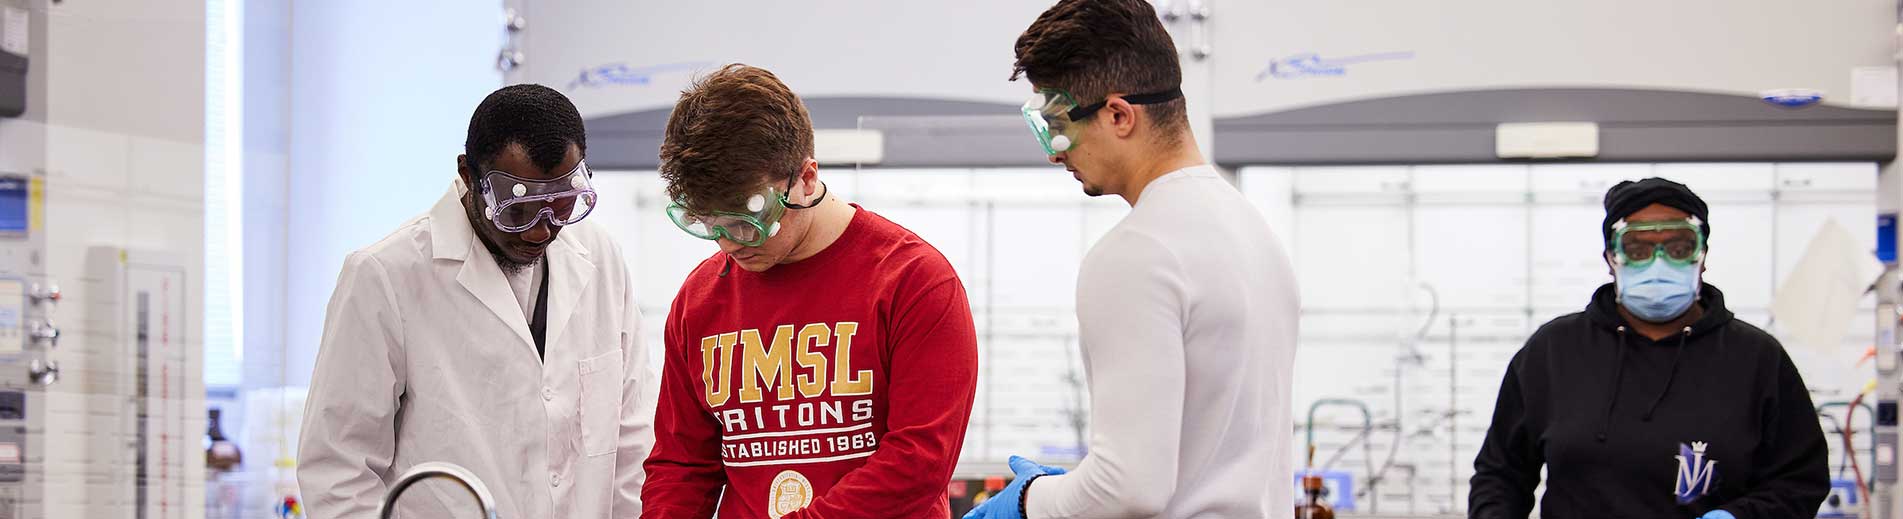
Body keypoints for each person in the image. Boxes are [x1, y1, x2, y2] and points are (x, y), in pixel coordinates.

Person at [964, 1, 1301, 517]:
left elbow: (1126, 490)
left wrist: (1027, 501)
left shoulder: (1136, 253)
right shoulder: (1253, 230)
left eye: (1057, 124)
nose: (1055, 152)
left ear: (1119, 115)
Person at [299, 84, 657, 519]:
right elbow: (338, 470)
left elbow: (632, 439)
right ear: (469, 175)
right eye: (517, 211)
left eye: (559, 206)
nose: (539, 232)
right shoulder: (385, 276)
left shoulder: (600, 259)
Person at [639, 64, 979, 518]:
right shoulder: (699, 300)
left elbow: (918, 463)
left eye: (746, 222)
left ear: (806, 177)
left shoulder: (914, 282)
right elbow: (681, 467)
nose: (728, 244)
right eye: (708, 224)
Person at [1470, 178, 1829, 518]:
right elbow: (1499, 475)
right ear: (1611, 258)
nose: (1658, 263)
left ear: (1701, 255)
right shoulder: (1552, 352)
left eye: (1678, 248)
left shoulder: (1757, 358)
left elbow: (1800, 480)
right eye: (1638, 249)